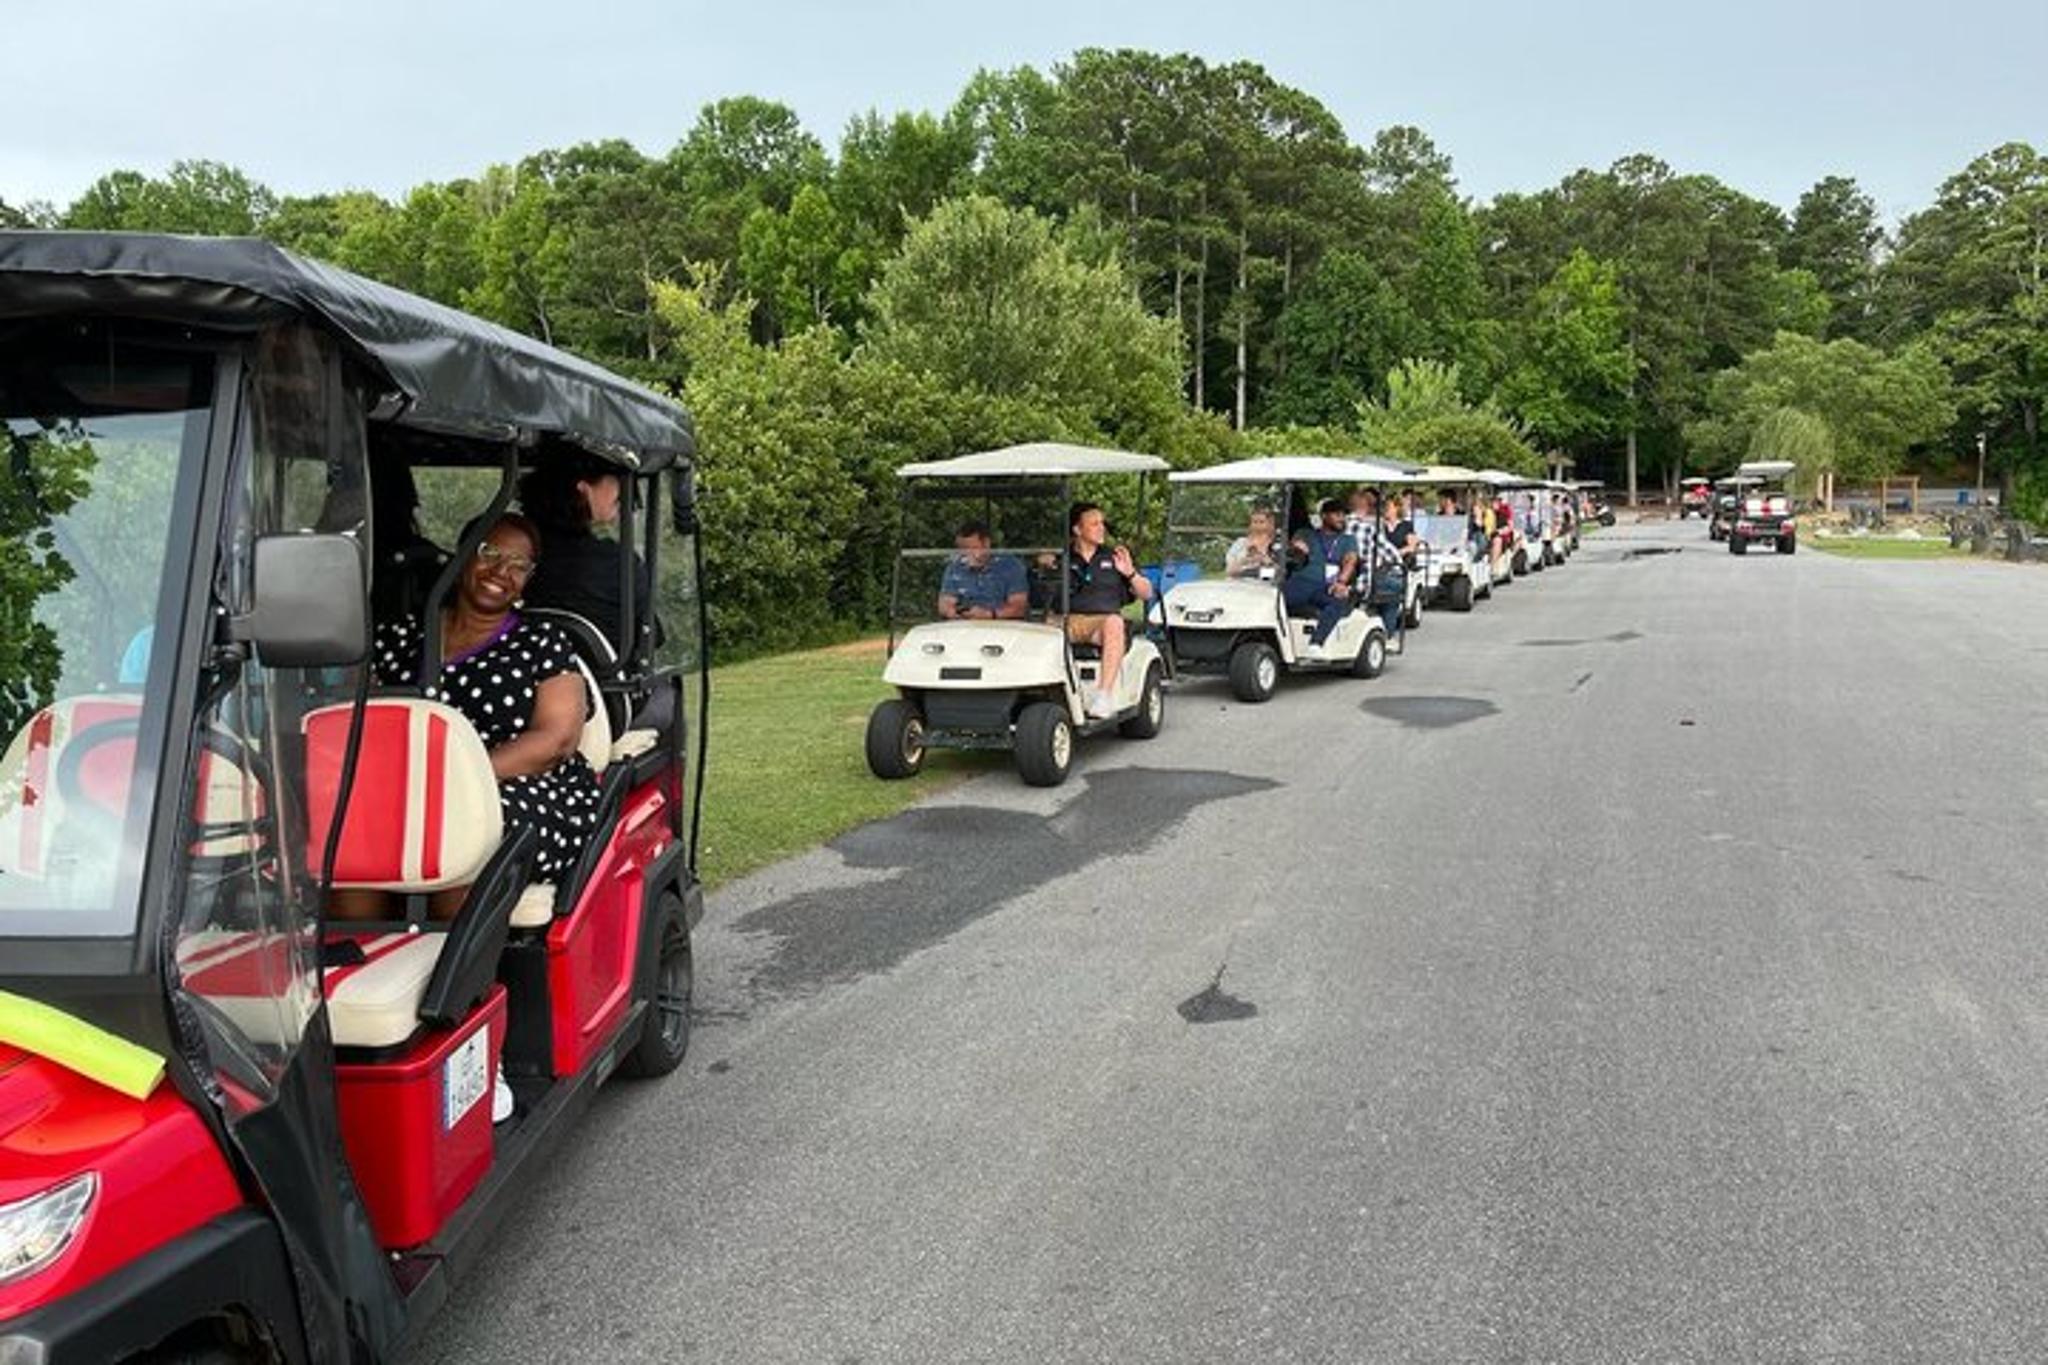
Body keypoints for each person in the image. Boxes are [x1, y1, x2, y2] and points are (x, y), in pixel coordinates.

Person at [343, 513, 602, 920]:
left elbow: (557, 741)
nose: (502, 570)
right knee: (349, 820)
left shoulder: (542, 642)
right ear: (463, 556)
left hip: (517, 785)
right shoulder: (400, 638)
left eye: (519, 565)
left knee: (458, 824)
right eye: (490, 553)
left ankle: (459, 977)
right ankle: (361, 959)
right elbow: (363, 717)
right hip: (405, 786)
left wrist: (458, 782)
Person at [517, 453, 654, 661]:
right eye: (616, 474)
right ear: (582, 489)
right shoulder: (618, 564)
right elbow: (649, 636)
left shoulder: (513, 554)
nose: (627, 489)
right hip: (602, 686)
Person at [1061, 502, 1154, 719]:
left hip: (1101, 623)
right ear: (1077, 529)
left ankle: (1104, 696)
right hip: (1068, 619)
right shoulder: (1063, 558)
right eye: (1094, 524)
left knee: (1114, 622)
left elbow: (1146, 593)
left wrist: (1130, 573)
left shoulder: (1114, 557)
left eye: (1102, 523)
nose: (1101, 528)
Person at [1286, 498, 1358, 658]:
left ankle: (1316, 644)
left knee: (1339, 601)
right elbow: (1296, 548)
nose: (1342, 518)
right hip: (1302, 582)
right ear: (1324, 516)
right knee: (1277, 599)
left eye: (1344, 515)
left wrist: (1341, 582)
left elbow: (1350, 560)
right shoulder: (1306, 534)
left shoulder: (1348, 540)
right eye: (1337, 514)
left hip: (1327, 586)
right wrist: (1296, 549)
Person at [938, 521, 1028, 619]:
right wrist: (952, 612)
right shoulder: (955, 567)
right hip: (964, 626)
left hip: (1000, 626)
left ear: (986, 544)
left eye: (972, 548)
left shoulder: (1010, 566)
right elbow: (945, 602)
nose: (966, 554)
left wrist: (988, 614)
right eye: (962, 549)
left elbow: (1019, 608)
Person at [1225, 507, 1282, 579]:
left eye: (1261, 522)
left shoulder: (1277, 546)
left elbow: (1280, 573)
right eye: (1254, 522)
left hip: (1263, 586)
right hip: (1237, 585)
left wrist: (1266, 562)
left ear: (1270, 524)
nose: (1258, 526)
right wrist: (1246, 560)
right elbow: (1229, 571)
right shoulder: (1240, 543)